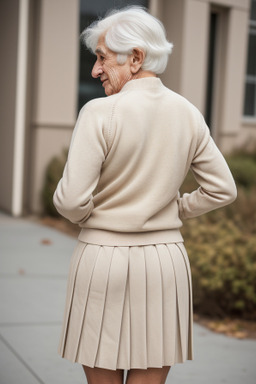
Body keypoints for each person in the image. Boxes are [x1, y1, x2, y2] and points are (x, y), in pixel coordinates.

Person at [53, 6, 237, 384]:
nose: (95, 70)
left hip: (103, 260)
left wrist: (94, 217)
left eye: (102, 58)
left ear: (135, 58)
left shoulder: (99, 113)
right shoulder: (188, 113)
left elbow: (71, 202)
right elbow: (223, 189)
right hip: (165, 263)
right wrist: (177, 208)